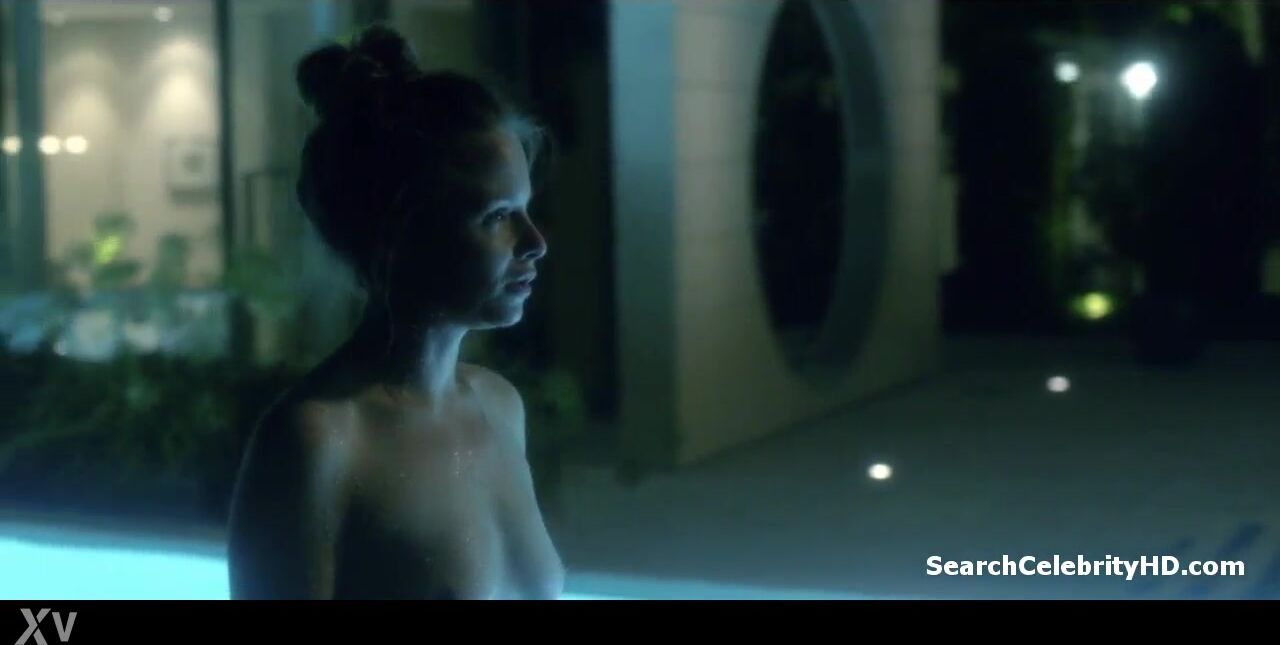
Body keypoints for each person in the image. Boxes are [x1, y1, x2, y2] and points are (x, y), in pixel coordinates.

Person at [226, 25, 564, 600]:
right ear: (402, 231)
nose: (535, 242)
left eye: (526, 209)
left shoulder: (499, 406)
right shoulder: (318, 442)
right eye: (496, 216)